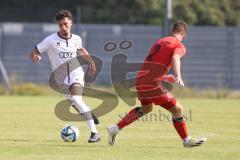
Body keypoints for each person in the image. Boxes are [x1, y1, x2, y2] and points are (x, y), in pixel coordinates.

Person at [107, 21, 207, 147]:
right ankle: (186, 140)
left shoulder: (160, 41)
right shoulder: (179, 45)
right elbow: (175, 58)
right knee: (177, 109)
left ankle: (115, 128)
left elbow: (151, 65)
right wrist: (178, 76)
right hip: (152, 84)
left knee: (146, 108)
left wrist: (164, 77)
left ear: (172, 31)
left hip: (140, 80)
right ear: (184, 35)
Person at [30, 10, 100, 143]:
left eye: (66, 24)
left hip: (76, 74)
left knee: (76, 100)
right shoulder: (50, 40)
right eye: (60, 25)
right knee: (75, 103)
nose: (63, 27)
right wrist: (35, 55)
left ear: (71, 23)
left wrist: (91, 63)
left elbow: (81, 50)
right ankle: (89, 112)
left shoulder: (76, 39)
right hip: (60, 79)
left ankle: (94, 134)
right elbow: (34, 51)